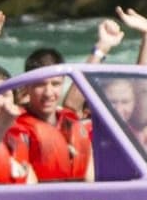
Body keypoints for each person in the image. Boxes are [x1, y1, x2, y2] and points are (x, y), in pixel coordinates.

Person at [5, 49, 95, 182]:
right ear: (27, 86)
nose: (48, 93)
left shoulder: (73, 123)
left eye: (55, 84)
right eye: (40, 85)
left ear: (63, 83)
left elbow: (91, 180)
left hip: (80, 193)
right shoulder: (14, 127)